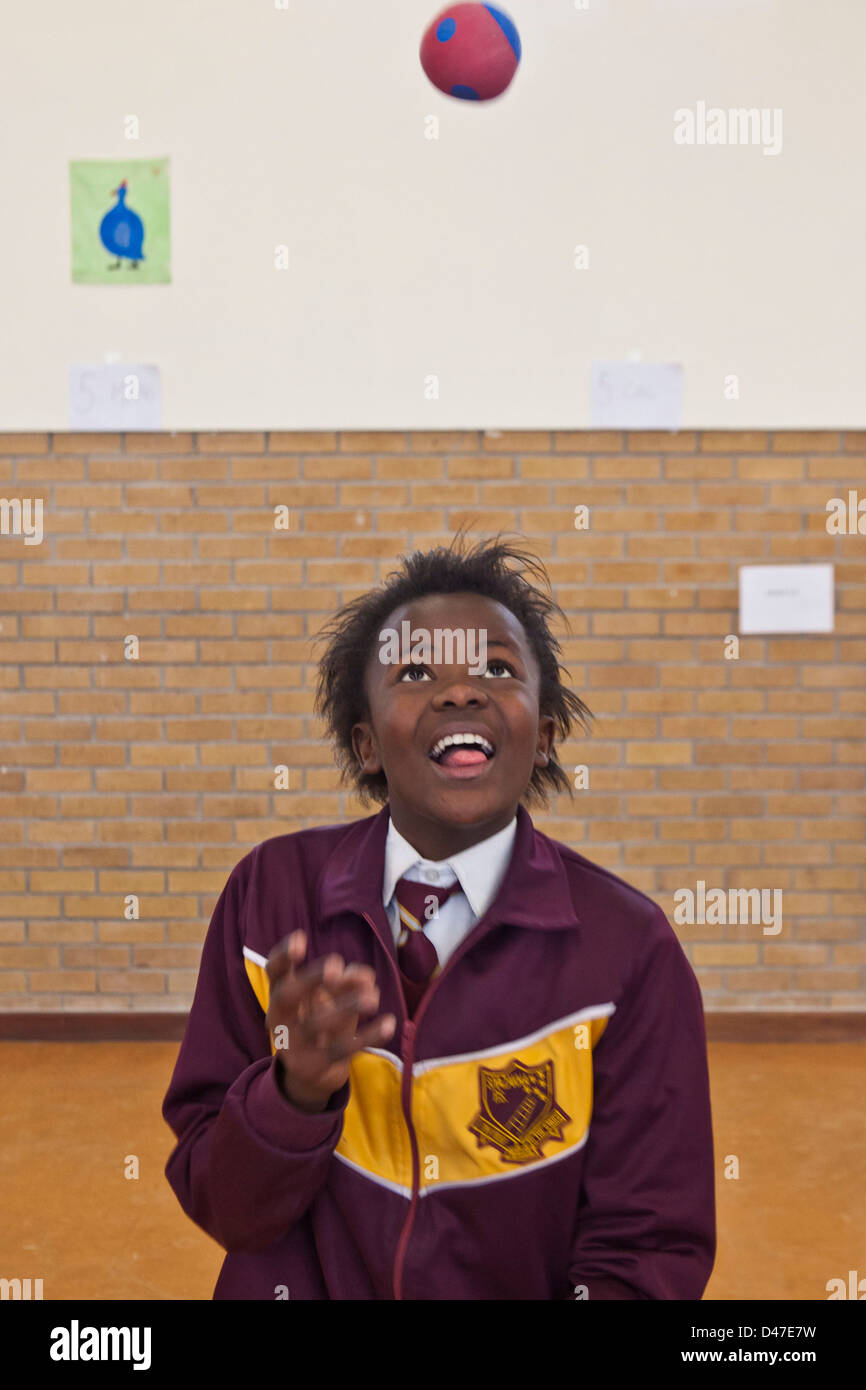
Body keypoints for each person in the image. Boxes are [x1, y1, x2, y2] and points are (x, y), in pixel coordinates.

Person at [162, 532, 716, 1299]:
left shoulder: (629, 951)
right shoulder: (270, 900)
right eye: (416, 671)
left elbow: (647, 1247)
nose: (460, 692)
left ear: (546, 735)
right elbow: (228, 1209)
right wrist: (293, 1095)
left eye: (496, 668)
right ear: (366, 744)